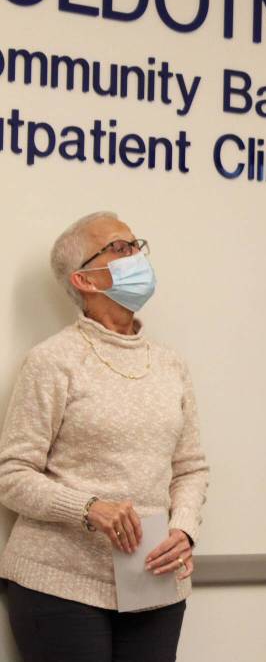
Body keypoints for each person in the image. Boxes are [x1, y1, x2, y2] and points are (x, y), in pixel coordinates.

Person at [0, 211, 210, 661]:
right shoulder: (52, 361)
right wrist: (89, 508)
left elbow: (190, 467)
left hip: (152, 580)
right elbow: (12, 474)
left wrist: (184, 530)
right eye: (119, 248)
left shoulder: (171, 366)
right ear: (84, 280)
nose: (136, 255)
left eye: (137, 245)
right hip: (58, 585)